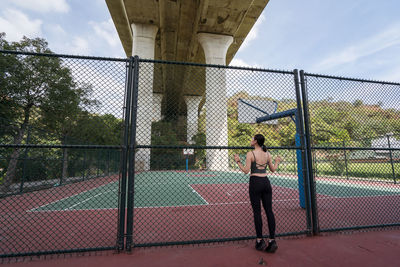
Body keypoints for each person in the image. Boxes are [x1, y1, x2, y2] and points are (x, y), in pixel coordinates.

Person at [234, 134, 282, 253]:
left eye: (252, 139)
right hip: (266, 182)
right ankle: (272, 241)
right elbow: (273, 169)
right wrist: (277, 161)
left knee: (257, 212)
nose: (251, 140)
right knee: (269, 211)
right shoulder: (267, 154)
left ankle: (260, 241)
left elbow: (246, 171)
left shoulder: (251, 154)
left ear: (255, 142)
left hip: (255, 182)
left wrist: (238, 161)